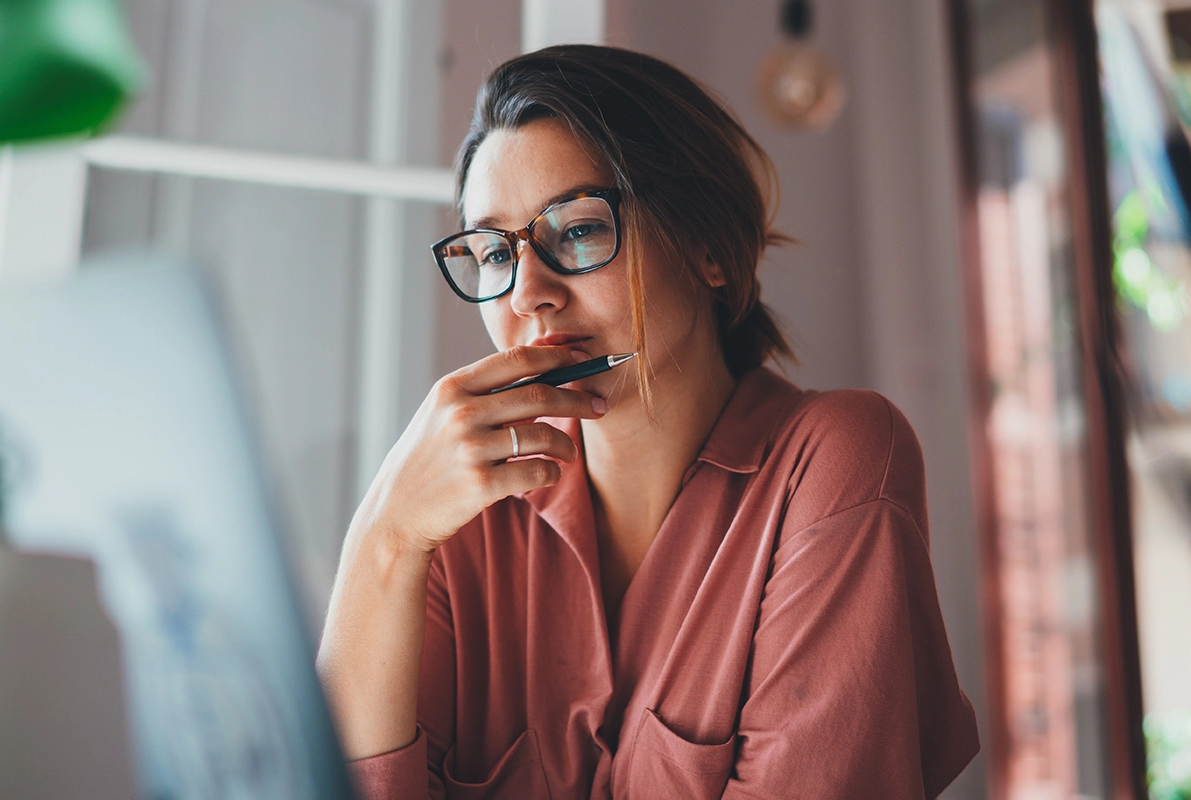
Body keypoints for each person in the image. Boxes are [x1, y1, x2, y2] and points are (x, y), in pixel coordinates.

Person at [317, 44, 978, 799]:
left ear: (709, 246)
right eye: (495, 253)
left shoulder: (834, 462)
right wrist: (385, 538)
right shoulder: (461, 518)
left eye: (578, 230)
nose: (528, 294)